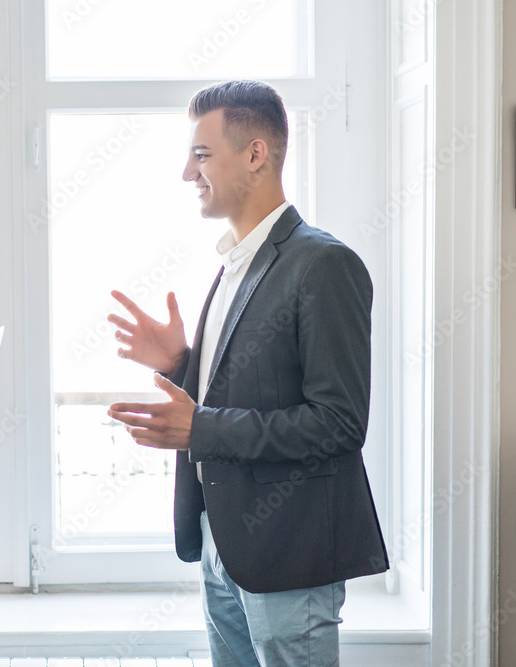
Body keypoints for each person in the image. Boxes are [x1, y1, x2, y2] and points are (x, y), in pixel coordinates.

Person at [106, 80, 388, 665]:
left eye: (202, 155)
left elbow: (337, 424)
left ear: (256, 154)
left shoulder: (323, 264)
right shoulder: (235, 263)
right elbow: (257, 388)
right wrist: (182, 365)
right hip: (222, 544)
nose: (188, 173)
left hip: (289, 552)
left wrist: (201, 429)